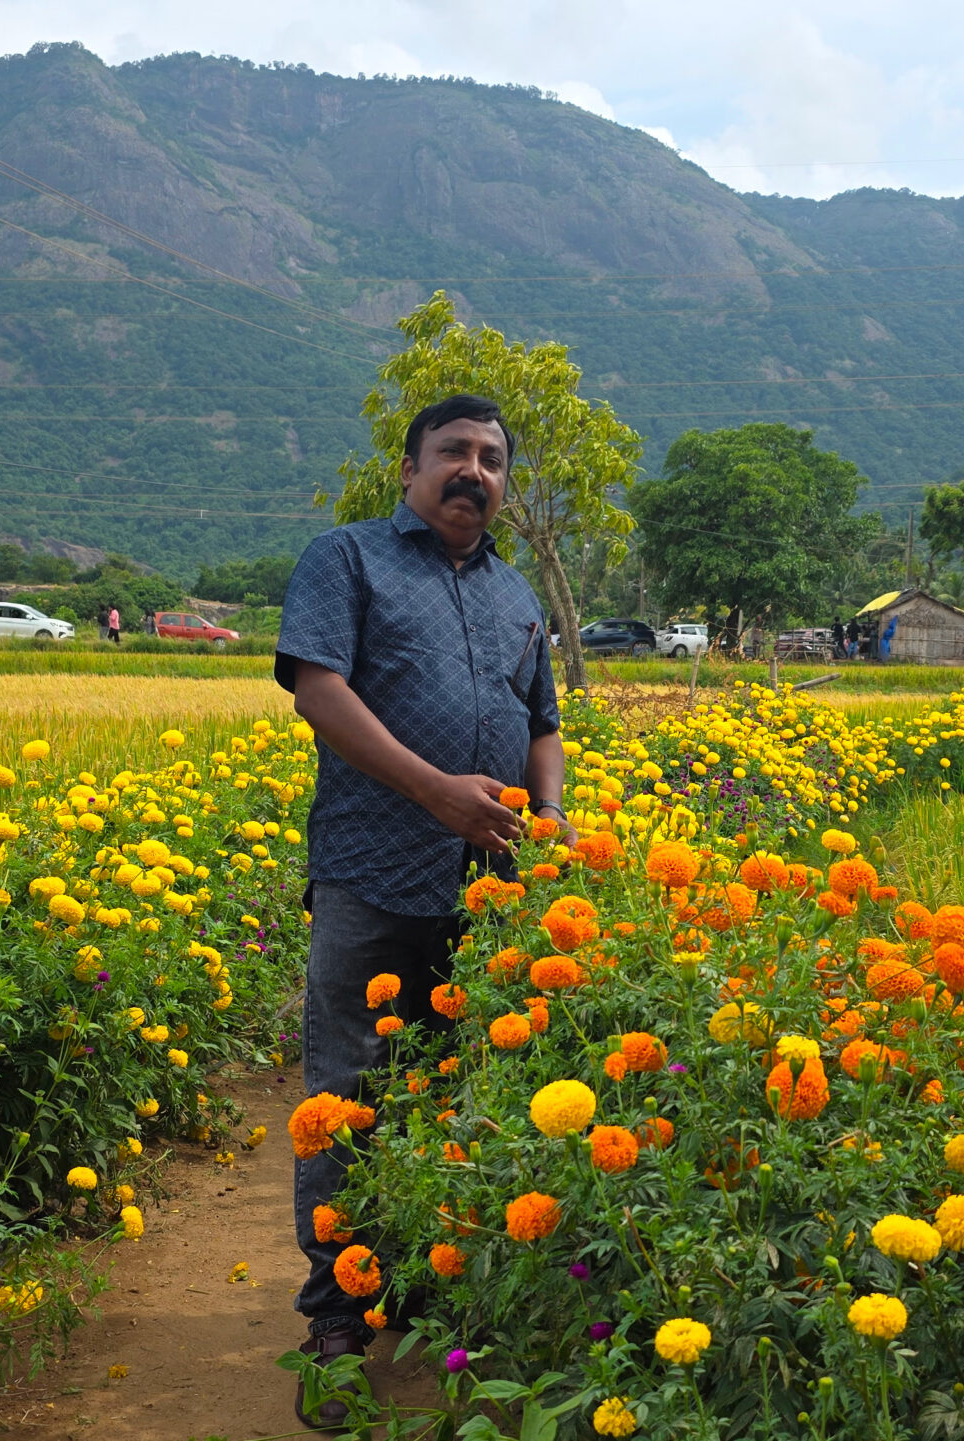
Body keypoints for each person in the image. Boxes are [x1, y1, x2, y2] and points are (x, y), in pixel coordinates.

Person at [273, 394, 569, 1430]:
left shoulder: (516, 592)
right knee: (347, 1091)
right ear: (408, 469)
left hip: (484, 888)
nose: (473, 472)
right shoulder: (347, 559)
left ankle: (424, 1282)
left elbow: (541, 726)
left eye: (491, 459)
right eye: (453, 453)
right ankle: (334, 1319)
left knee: (454, 1094)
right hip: (370, 870)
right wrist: (435, 789)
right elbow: (317, 687)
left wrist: (553, 819)